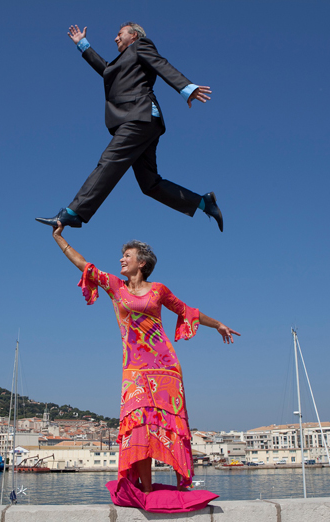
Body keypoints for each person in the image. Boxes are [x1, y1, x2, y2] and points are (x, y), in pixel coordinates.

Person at [51, 221, 240, 492]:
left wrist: (218, 324)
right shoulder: (116, 286)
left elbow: (187, 311)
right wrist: (59, 237)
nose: (121, 259)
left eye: (127, 256)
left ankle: (181, 486)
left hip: (165, 367)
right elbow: (84, 265)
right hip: (135, 369)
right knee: (139, 427)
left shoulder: (158, 290)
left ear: (141, 263)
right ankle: (147, 490)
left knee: (169, 425)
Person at [36, 22, 225, 232]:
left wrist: (186, 88)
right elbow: (107, 70)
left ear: (133, 36)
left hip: (139, 116)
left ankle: (73, 213)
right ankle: (203, 203)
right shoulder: (122, 61)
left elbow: (160, 64)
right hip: (141, 122)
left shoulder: (141, 46)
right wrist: (83, 44)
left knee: (110, 160)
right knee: (149, 184)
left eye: (119, 34)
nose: (115, 38)